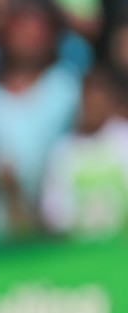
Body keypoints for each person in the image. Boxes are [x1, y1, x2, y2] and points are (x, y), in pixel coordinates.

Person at [0, 0, 82, 237]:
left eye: (37, 23)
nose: (28, 33)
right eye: (19, 23)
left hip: (52, 235)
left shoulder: (68, 88)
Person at [40, 63, 128, 236]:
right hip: (79, 251)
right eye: (88, 98)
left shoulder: (123, 138)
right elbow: (53, 212)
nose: (93, 105)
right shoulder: (63, 150)